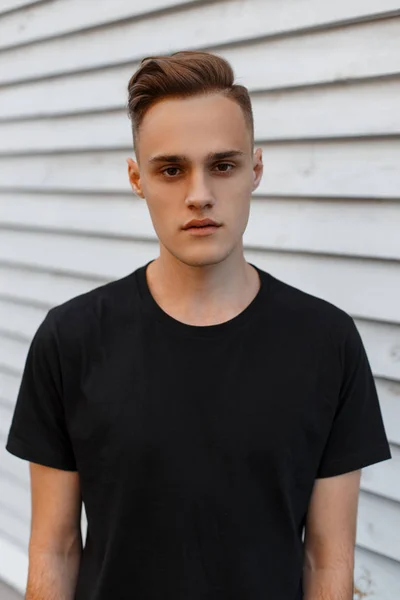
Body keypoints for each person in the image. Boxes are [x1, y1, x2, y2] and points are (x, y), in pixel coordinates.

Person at [6, 50, 391, 600]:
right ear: (137, 178)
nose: (199, 194)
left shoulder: (326, 342)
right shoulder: (71, 340)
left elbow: (327, 557)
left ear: (255, 169)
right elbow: (55, 547)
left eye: (223, 165)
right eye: (171, 169)